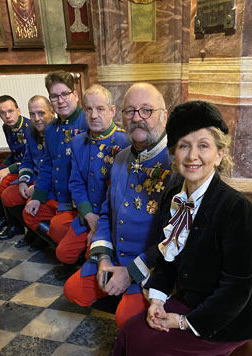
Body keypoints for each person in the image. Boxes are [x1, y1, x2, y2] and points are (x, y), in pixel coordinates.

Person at [104, 101, 252, 356]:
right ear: (174, 154)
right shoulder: (175, 200)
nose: (193, 156)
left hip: (227, 317)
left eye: (204, 146)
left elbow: (237, 288)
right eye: (184, 146)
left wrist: (183, 322)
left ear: (219, 155)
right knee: (134, 332)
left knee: (165, 349)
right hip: (188, 301)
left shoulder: (237, 209)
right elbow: (167, 261)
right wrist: (157, 301)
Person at [64, 82, 175, 328]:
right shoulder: (121, 157)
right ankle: (121, 292)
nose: (137, 118)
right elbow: (107, 212)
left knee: (125, 320)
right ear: (122, 115)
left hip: (150, 266)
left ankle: (130, 299)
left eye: (147, 110)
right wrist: (104, 257)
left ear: (164, 116)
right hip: (114, 256)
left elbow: (175, 239)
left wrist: (130, 273)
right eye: (130, 111)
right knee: (73, 290)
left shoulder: (176, 164)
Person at [55, 84, 129, 277]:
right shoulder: (78, 142)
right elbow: (76, 184)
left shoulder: (125, 143)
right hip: (87, 213)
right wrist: (88, 215)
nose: (94, 115)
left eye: (100, 109)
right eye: (88, 109)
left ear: (112, 111)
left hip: (111, 220)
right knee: (63, 253)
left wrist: (100, 224)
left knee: (95, 260)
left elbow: (122, 194)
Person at [23, 71, 87, 247]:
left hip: (75, 200)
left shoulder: (87, 123)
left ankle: (70, 251)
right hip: (55, 194)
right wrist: (37, 196)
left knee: (58, 228)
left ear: (75, 95)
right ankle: (61, 244)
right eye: (54, 96)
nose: (60, 101)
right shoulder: (51, 129)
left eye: (65, 94)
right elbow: (47, 166)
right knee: (29, 212)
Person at [0, 95, 55, 245]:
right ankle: (33, 232)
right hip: (34, 177)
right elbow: (27, 160)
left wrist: (37, 188)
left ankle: (43, 240)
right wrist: (23, 181)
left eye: (41, 113)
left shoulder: (58, 133)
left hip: (49, 183)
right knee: (9, 195)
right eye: (32, 114)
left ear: (52, 112)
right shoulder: (30, 131)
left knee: (31, 207)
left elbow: (59, 170)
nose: (36, 118)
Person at [0, 95, 30, 234]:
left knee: (0, 181)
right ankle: (3, 218)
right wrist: (3, 166)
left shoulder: (28, 128)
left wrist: (7, 170)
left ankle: (15, 225)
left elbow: (30, 159)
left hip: (27, 168)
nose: (7, 116)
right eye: (3, 113)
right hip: (18, 164)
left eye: (11, 111)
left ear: (18, 110)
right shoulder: (7, 127)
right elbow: (15, 152)